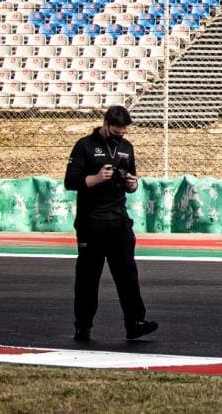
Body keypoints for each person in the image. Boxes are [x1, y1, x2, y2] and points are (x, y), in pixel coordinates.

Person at [64, 104, 157, 342]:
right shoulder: (85, 145)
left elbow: (133, 181)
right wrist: (96, 178)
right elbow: (70, 181)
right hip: (91, 222)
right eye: (116, 132)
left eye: (123, 133)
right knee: (88, 277)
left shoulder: (127, 148)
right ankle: (82, 325)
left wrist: (132, 185)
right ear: (105, 125)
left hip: (119, 221)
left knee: (128, 274)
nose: (120, 137)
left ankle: (135, 322)